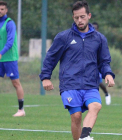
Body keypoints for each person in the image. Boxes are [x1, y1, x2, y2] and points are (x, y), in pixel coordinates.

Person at [39, 1, 115, 140]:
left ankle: (84, 137)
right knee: (76, 116)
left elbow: (104, 61)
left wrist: (108, 74)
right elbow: (50, 58)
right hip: (70, 84)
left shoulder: (100, 39)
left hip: (90, 84)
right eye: (76, 17)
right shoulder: (63, 37)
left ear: (89, 16)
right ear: (73, 18)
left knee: (96, 106)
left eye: (82, 17)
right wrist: (45, 77)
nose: (79, 20)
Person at [92, 22, 111, 105]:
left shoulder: (101, 38)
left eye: (95, 28)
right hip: (89, 65)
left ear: (97, 29)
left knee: (99, 82)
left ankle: (106, 94)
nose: (93, 30)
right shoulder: (87, 38)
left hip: (98, 65)